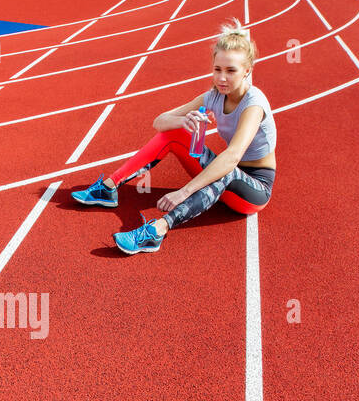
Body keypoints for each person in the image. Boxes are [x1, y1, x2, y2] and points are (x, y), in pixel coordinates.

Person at [71, 18, 277, 255]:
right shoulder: (214, 96)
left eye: (231, 71)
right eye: (217, 69)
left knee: (226, 169)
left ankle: (156, 230)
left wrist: (184, 192)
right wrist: (184, 121)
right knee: (175, 132)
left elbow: (232, 157)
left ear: (247, 70)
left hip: (253, 191)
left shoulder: (254, 103)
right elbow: (159, 122)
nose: (222, 78)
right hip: (227, 177)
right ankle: (109, 188)